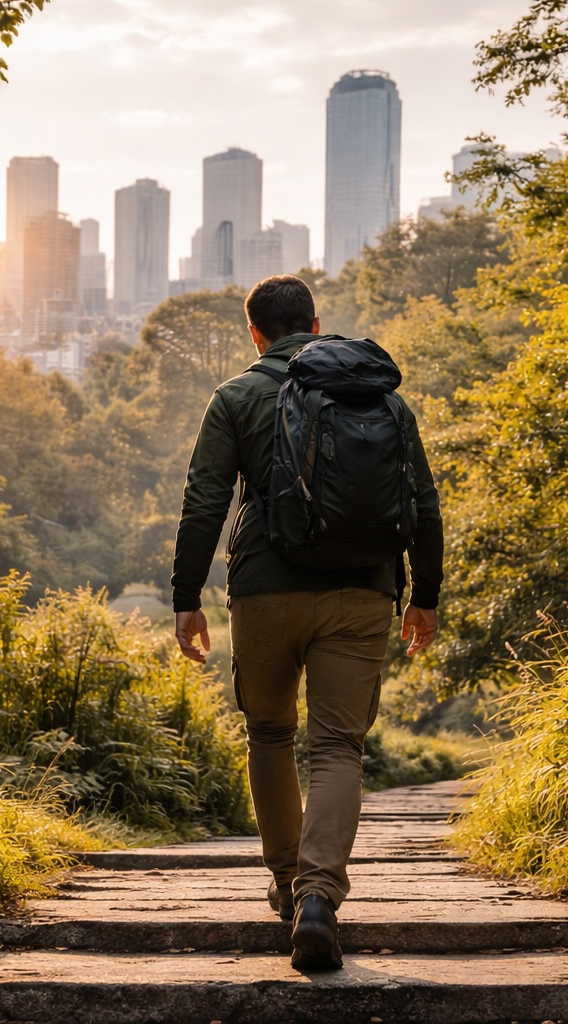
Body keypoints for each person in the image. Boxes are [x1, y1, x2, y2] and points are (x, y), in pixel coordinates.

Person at [170, 274, 443, 971]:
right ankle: (321, 896)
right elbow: (423, 505)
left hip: (265, 589)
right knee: (337, 749)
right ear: (316, 326)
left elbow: (205, 502)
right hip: (363, 592)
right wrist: (425, 594)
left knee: (269, 732)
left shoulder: (235, 396)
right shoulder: (382, 399)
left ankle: (289, 884)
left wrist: (186, 595)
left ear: (255, 332)